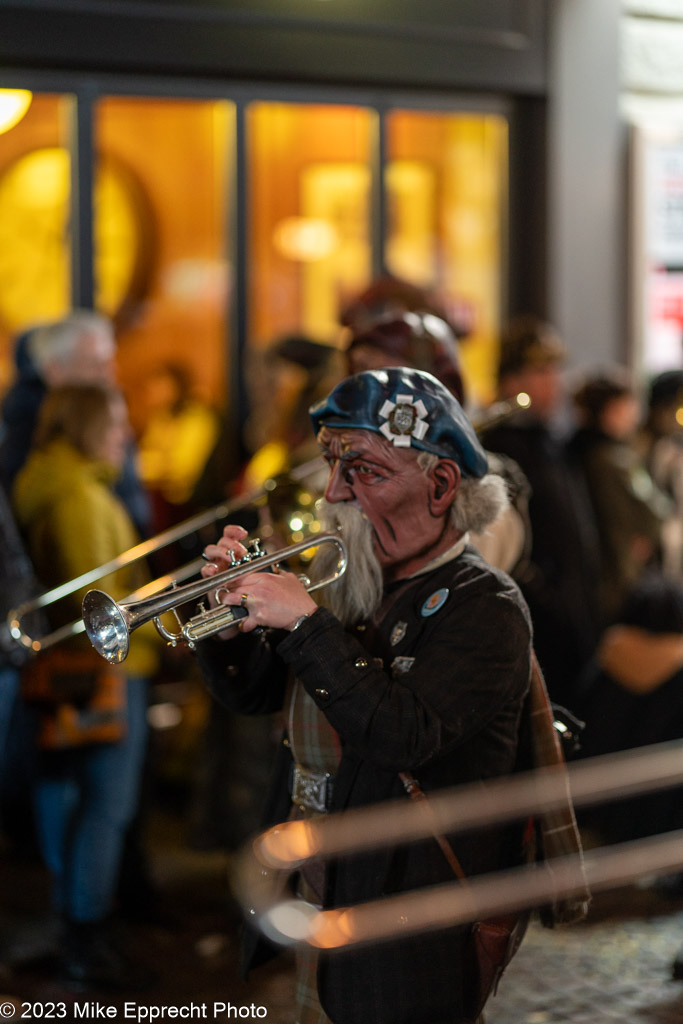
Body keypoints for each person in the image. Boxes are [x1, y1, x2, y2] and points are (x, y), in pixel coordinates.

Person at [195, 367, 534, 1024]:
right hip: (322, 894)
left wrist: (303, 623)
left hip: (405, 921)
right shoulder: (349, 583)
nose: (332, 493)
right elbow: (258, 696)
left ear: (439, 485)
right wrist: (227, 623)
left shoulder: (485, 605)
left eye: (363, 471)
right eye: (330, 465)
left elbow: (401, 735)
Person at [11, 384, 158, 988]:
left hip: (58, 677)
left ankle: (73, 928)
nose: (125, 434)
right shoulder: (83, 499)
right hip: (102, 677)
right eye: (116, 421)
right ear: (89, 425)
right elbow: (101, 609)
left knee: (64, 805)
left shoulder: (41, 479)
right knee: (104, 810)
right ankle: (86, 944)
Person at [480, 316, 602, 710]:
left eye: (556, 370)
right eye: (542, 371)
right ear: (512, 380)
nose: (556, 383)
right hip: (537, 632)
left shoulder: (548, 442)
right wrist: (549, 600)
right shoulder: (499, 447)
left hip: (570, 627)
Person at [0, 311, 151, 538]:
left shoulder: (94, 416)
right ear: (54, 371)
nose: (109, 375)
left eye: (110, 362)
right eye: (95, 364)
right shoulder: (33, 436)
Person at [569, 368, 670, 627]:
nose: (635, 416)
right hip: (619, 573)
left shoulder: (574, 452)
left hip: (587, 575)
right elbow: (655, 512)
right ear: (612, 409)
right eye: (629, 406)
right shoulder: (615, 460)